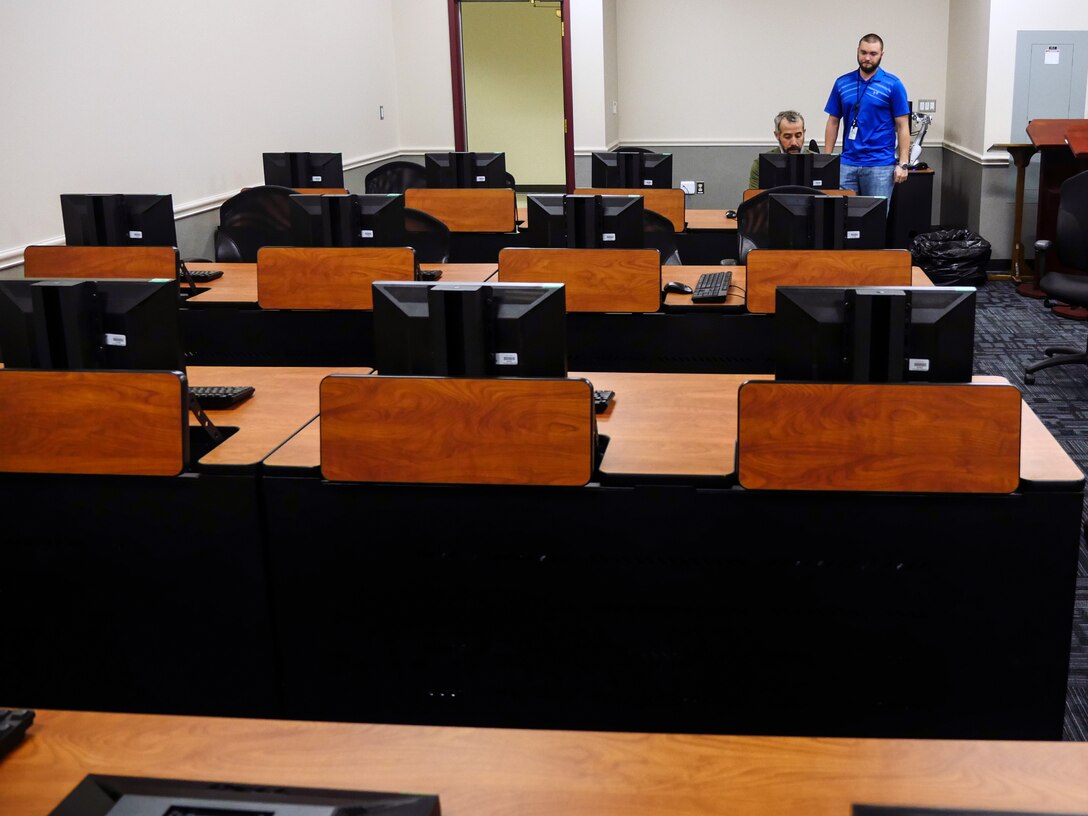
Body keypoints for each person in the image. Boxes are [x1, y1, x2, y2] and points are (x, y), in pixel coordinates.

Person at [823, 33, 911, 199]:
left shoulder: (893, 84)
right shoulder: (842, 83)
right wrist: (827, 161)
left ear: (881, 55)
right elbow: (833, 121)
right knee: (841, 218)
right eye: (863, 53)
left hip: (880, 165)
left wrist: (903, 163)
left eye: (873, 54)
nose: (867, 58)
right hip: (847, 163)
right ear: (857, 51)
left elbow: (903, 125)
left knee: (874, 220)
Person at [748, 111, 812, 190]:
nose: (794, 143)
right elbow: (753, 200)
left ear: (804, 133)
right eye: (787, 136)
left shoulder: (817, 160)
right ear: (777, 135)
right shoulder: (760, 164)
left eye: (798, 135)